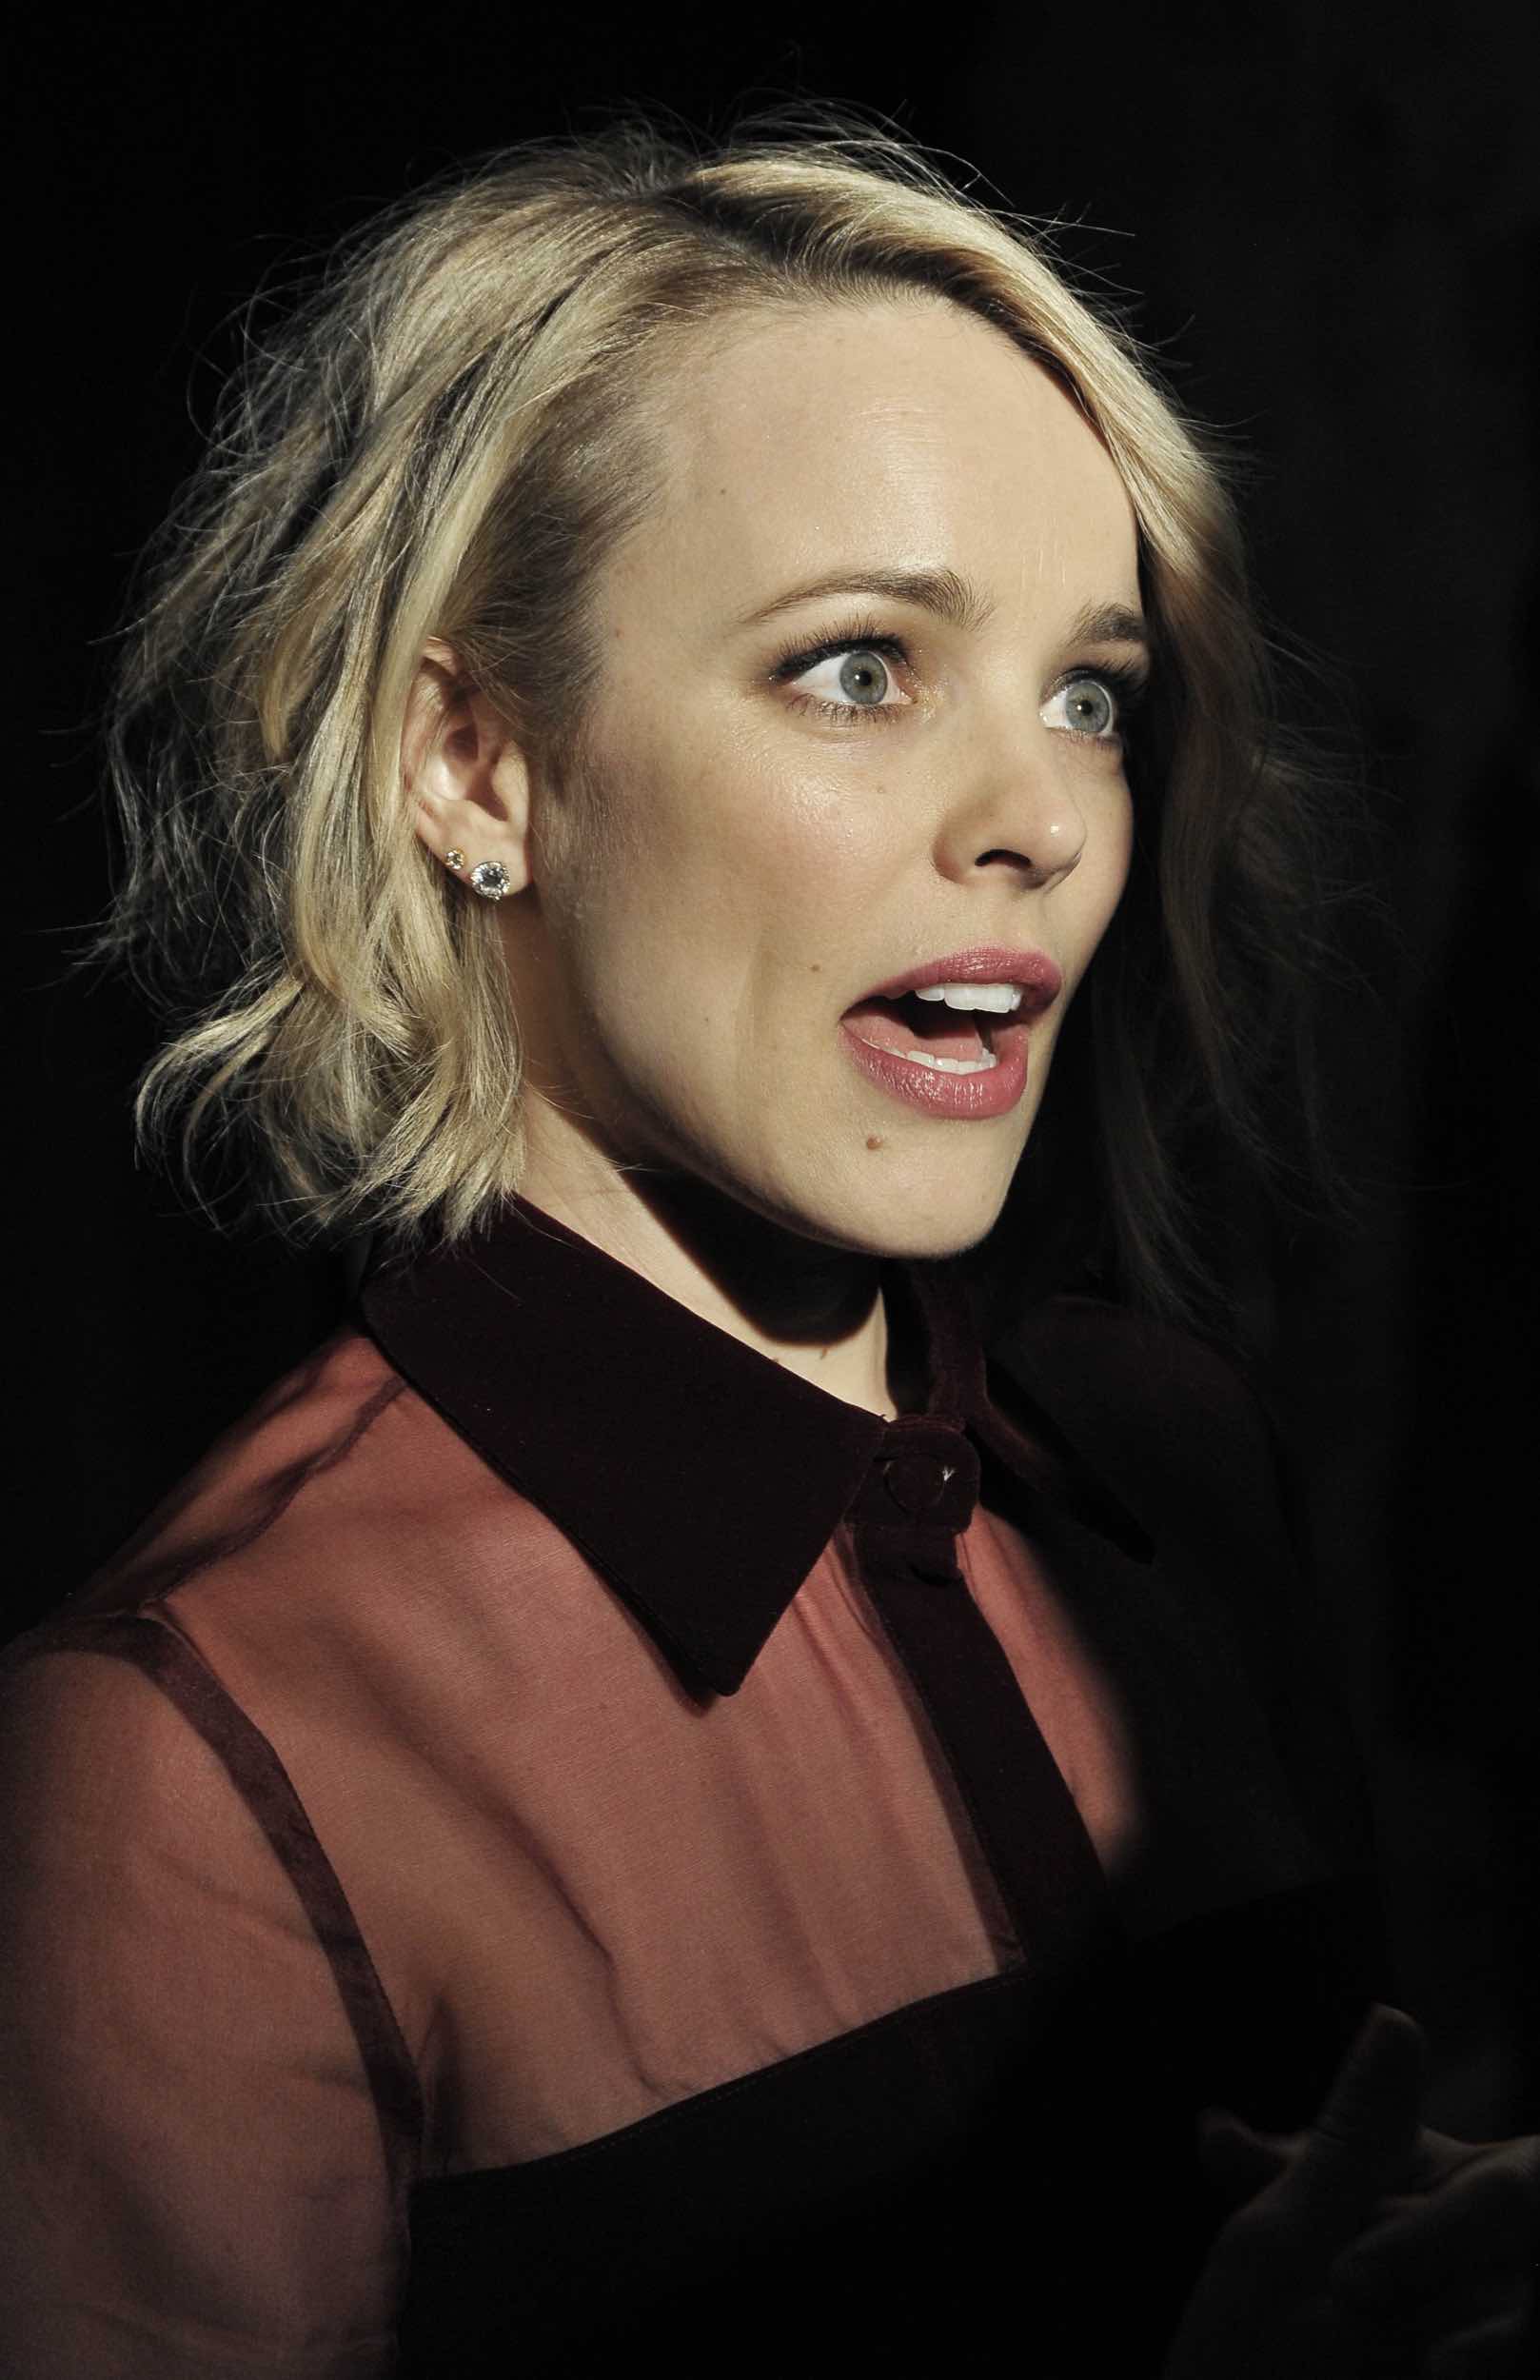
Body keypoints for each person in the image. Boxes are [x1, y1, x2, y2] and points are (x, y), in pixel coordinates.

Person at [2, 104, 1534, 2379]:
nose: (1036, 818)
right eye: (856, 667)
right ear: (475, 765)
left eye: (1089, 694)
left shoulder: (1170, 1459)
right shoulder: (192, 1765)